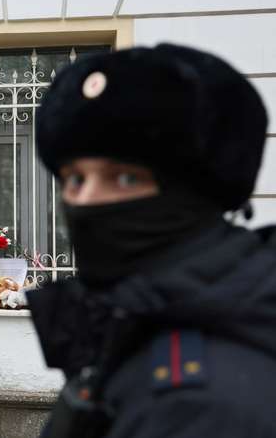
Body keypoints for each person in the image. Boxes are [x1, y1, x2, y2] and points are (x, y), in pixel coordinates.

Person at [29, 44, 274, 437]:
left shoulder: (196, 401)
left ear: (198, 192)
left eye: (125, 178)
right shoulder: (138, 323)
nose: (85, 199)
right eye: (75, 178)